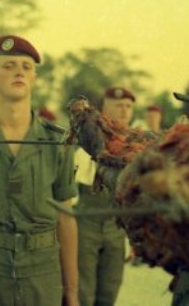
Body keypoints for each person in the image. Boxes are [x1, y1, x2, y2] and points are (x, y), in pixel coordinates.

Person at [0, 35, 79, 306]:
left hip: (43, 268)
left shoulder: (58, 141)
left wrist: (72, 292)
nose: (19, 71)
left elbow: (66, 219)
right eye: (8, 65)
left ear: (34, 78)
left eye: (26, 67)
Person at [74, 87, 135, 306]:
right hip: (86, 221)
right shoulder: (87, 136)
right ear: (104, 108)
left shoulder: (135, 144)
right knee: (83, 291)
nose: (124, 110)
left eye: (128, 106)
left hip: (116, 227)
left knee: (110, 289)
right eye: (118, 105)